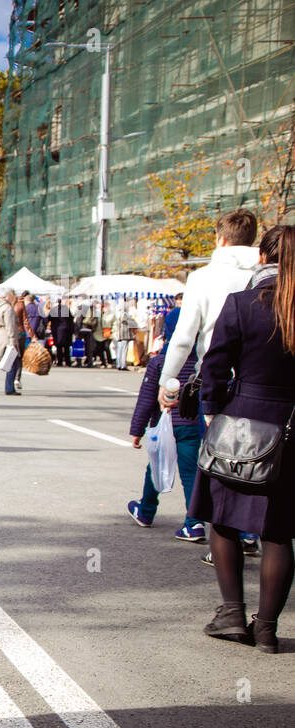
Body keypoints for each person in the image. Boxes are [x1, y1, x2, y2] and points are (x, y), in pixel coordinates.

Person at [188, 225, 294, 654]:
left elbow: (214, 366)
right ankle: (266, 630)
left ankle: (232, 614)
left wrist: (213, 411)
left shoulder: (243, 303)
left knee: (224, 519)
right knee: (279, 534)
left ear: (262, 256)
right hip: (291, 428)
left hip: (241, 425)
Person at [161, 209, 261, 557]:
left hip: (217, 378)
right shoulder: (264, 273)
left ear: (219, 239)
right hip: (261, 381)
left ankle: (227, 538)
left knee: (221, 461)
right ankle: (250, 530)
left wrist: (167, 380)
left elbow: (183, 338)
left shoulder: (203, 277)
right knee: (257, 457)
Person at [126, 344, 202, 541]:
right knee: (190, 473)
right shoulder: (200, 361)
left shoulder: (160, 361)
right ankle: (194, 523)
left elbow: (147, 399)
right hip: (191, 425)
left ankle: (145, 510)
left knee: (155, 467)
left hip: (164, 424)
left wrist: (137, 431)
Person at [46, 295, 74, 366]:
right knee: (66, 347)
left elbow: (48, 319)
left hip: (57, 331)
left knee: (59, 347)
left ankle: (60, 361)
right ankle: (68, 362)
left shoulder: (54, 310)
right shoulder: (66, 309)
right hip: (66, 331)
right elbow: (71, 320)